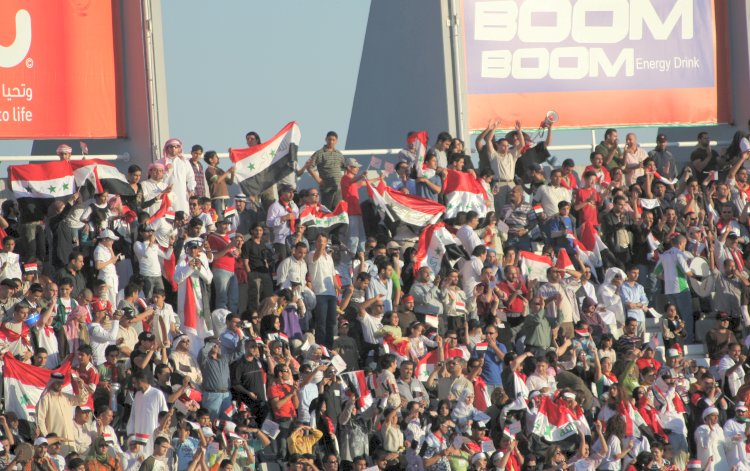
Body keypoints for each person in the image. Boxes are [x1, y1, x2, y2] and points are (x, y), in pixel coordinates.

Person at [308, 131, 346, 210]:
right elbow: (309, 167)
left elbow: (345, 167)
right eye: (329, 139)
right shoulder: (319, 153)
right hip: (327, 188)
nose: (331, 142)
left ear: (336, 141)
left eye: (333, 140)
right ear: (326, 139)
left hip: (338, 188)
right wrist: (319, 180)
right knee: (326, 210)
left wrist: (344, 181)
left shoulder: (339, 154)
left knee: (338, 210)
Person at [158, 138, 196, 214]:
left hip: (181, 194)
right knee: (168, 215)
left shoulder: (184, 162)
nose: (173, 149)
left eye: (176, 147)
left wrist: (191, 189)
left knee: (182, 215)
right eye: (171, 146)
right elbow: (157, 179)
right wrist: (166, 171)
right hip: (166, 194)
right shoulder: (160, 162)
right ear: (167, 148)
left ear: (179, 148)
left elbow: (191, 177)